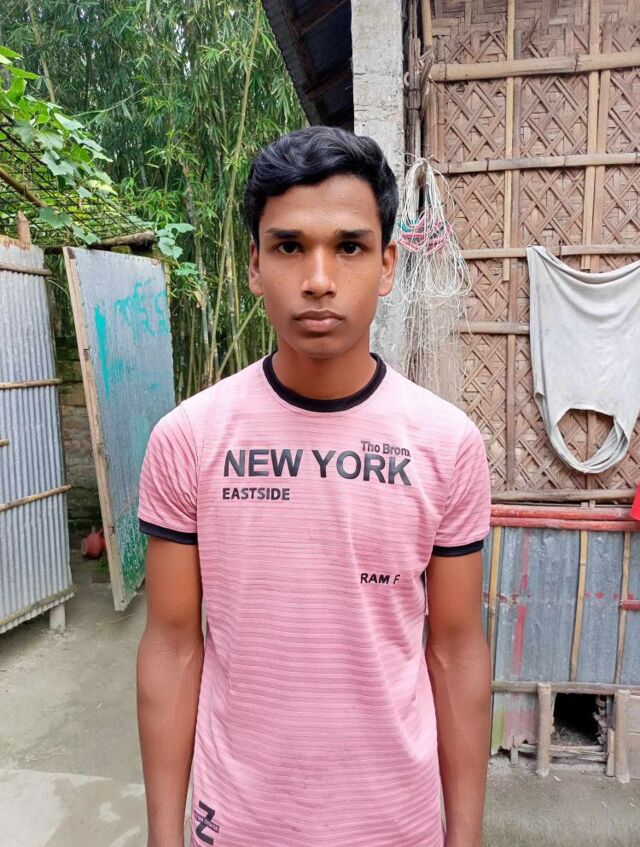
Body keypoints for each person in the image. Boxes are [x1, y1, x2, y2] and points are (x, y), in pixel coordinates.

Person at [136, 126, 492, 847]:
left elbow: (456, 651)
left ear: (387, 265)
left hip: (397, 826)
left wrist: (466, 836)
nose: (319, 278)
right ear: (254, 265)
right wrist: (162, 836)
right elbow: (172, 646)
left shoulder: (447, 445)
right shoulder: (189, 439)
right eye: (290, 246)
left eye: (350, 247)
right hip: (236, 824)